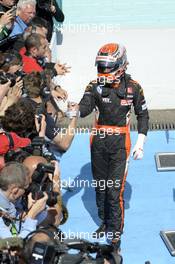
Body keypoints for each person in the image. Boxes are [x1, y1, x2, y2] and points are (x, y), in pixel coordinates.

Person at [79, 43, 149, 250]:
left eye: (107, 66)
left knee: (113, 191)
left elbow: (143, 115)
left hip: (121, 144)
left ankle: (115, 236)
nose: (103, 70)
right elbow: (85, 107)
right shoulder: (93, 85)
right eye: (101, 65)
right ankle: (104, 221)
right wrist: (72, 111)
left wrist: (140, 143)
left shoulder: (133, 87)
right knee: (100, 188)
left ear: (121, 65)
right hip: (98, 141)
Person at [0, 161, 48, 238]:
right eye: (25, 189)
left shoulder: (8, 206)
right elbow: (16, 245)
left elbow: (18, 227)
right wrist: (31, 215)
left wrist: (33, 210)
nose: (26, 192)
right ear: (15, 191)